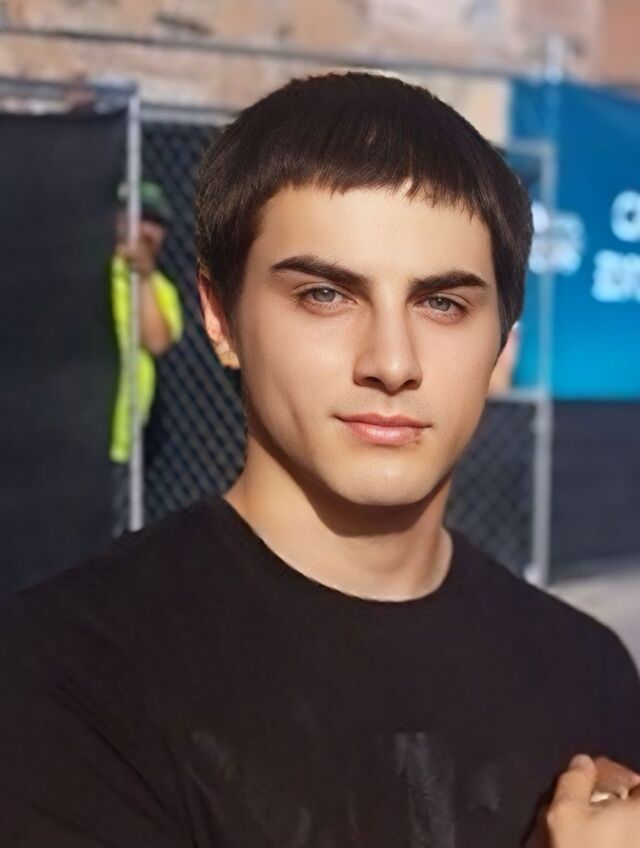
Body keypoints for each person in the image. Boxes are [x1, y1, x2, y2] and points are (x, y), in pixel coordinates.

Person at [0, 72, 639, 847]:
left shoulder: (588, 671)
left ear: (503, 340)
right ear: (221, 316)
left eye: (442, 303)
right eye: (325, 295)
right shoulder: (65, 673)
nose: (391, 362)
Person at [110, 180, 183, 464]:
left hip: (122, 438)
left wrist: (142, 276)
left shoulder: (161, 288)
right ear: (119, 220)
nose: (148, 231)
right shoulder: (95, 269)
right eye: (141, 218)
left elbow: (156, 341)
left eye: (157, 223)